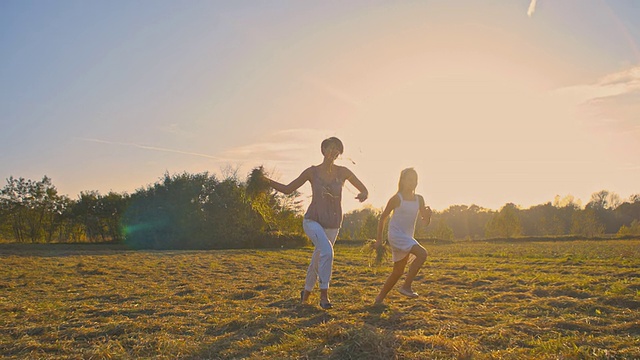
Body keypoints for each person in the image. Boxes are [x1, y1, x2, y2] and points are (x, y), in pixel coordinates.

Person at [265, 137, 368, 309]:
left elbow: (364, 189)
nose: (333, 151)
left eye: (337, 149)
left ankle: (305, 296)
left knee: (317, 259)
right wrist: (266, 181)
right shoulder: (312, 172)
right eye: (330, 147)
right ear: (323, 150)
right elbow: (288, 189)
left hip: (333, 223)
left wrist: (364, 194)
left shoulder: (343, 172)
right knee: (327, 252)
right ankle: (324, 296)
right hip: (312, 221)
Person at [374, 168, 432, 305]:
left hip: (407, 236)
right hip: (396, 235)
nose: (413, 183)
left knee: (398, 271)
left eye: (415, 180)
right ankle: (406, 286)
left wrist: (429, 216)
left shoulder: (419, 199)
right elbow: (382, 218)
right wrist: (379, 240)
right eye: (410, 179)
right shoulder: (396, 198)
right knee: (422, 254)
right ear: (403, 181)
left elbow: (425, 222)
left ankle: (378, 300)